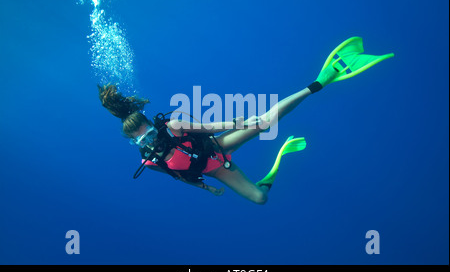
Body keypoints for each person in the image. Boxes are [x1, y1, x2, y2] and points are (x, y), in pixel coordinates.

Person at [98, 37, 394, 204]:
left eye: (148, 132)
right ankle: (271, 173)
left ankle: (319, 82)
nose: (149, 139)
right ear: (135, 143)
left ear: (151, 124)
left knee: (265, 120)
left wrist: (239, 122)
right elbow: (178, 175)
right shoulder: (149, 162)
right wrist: (206, 188)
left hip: (217, 144)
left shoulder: (173, 125)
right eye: (142, 140)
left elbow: (209, 128)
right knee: (259, 199)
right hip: (215, 171)